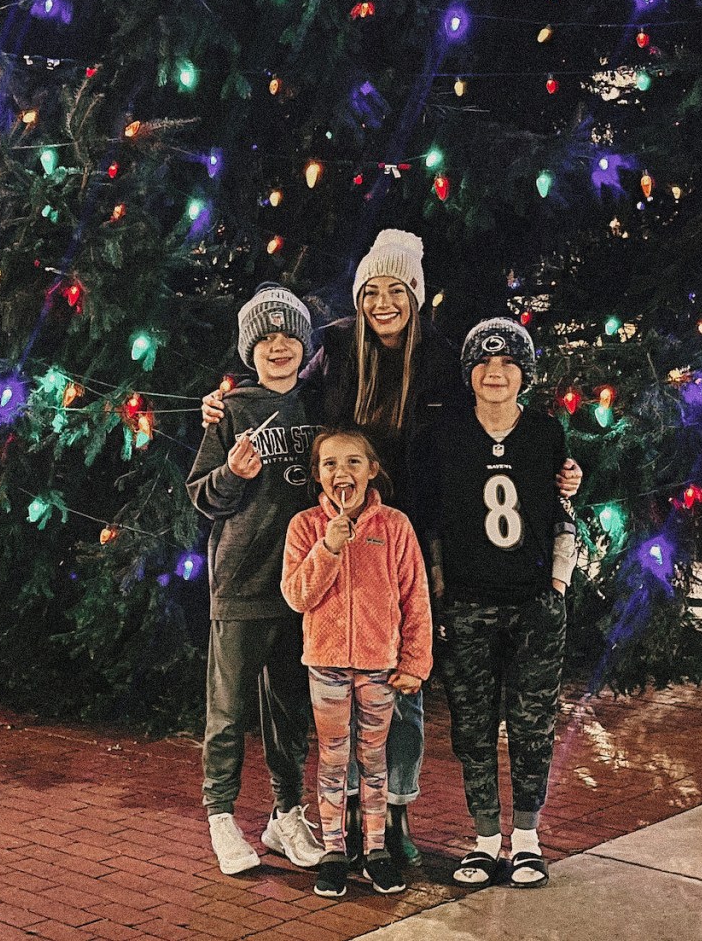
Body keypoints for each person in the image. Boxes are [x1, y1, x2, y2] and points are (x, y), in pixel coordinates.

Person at [202, 229, 584, 865]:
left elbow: (494, 422)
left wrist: (559, 473)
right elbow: (285, 391)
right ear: (358, 298)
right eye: (371, 290)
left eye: (397, 289)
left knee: (396, 690)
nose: (383, 302)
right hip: (332, 529)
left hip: (404, 533)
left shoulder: (438, 360)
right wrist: (226, 399)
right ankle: (346, 815)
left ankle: (395, 811)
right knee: (331, 687)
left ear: (416, 296)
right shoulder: (333, 346)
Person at [424, 317, 575, 890]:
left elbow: (563, 513)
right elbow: (436, 522)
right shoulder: (445, 435)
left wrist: (557, 586)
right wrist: (441, 589)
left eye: (508, 362)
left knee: (534, 726)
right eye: (484, 363)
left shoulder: (545, 433)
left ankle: (529, 839)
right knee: (473, 727)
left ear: (525, 374)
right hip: (468, 603)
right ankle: (487, 839)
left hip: (533, 602)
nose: (495, 372)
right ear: (469, 374)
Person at [185, 283, 324, 876]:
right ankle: (221, 817)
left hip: (303, 589)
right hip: (241, 585)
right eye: (265, 338)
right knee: (229, 710)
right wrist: (232, 475)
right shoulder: (232, 409)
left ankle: (285, 813)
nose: (278, 347)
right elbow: (202, 496)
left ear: (303, 344)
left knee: (291, 710)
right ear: (249, 349)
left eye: (288, 335)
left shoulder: (320, 407)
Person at [280, 428, 432, 898]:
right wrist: (328, 547)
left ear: (371, 469)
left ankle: (377, 849)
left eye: (352, 462)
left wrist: (414, 660)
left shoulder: (395, 526)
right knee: (331, 759)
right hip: (325, 665)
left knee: (373, 758)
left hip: (379, 666)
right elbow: (297, 595)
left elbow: (415, 597)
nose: (341, 472)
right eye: (329, 464)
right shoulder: (304, 526)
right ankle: (333, 851)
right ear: (317, 474)